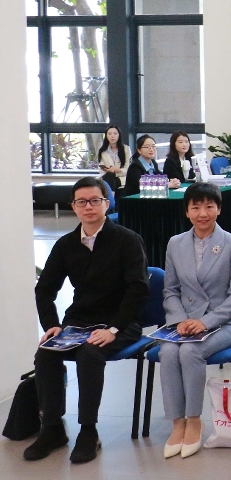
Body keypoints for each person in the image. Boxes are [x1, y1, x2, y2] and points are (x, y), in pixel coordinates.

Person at [25, 177, 149, 464]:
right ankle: (52, 428)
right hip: (80, 321)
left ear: (107, 203)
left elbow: (138, 290)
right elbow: (45, 289)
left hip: (121, 321)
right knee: (46, 353)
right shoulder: (66, 244)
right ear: (74, 206)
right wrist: (52, 325)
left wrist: (114, 329)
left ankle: (88, 431)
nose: (88, 207)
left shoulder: (127, 240)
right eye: (82, 202)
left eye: (95, 200)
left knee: (89, 353)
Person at [157, 183, 231, 459]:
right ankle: (178, 423)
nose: (202, 213)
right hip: (184, 323)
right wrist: (180, 320)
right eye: (195, 207)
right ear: (187, 211)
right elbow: (170, 290)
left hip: (226, 323)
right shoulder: (175, 244)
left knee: (190, 351)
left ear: (219, 209)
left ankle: (195, 420)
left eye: (209, 206)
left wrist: (206, 321)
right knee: (167, 352)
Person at [96, 124, 129, 191]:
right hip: (107, 176)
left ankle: (110, 196)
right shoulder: (103, 151)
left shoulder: (126, 149)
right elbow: (101, 169)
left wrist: (118, 170)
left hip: (122, 177)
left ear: (119, 135)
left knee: (110, 181)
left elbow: (128, 169)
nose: (112, 136)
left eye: (115, 134)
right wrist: (108, 170)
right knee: (109, 177)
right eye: (109, 134)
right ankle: (111, 196)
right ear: (106, 136)